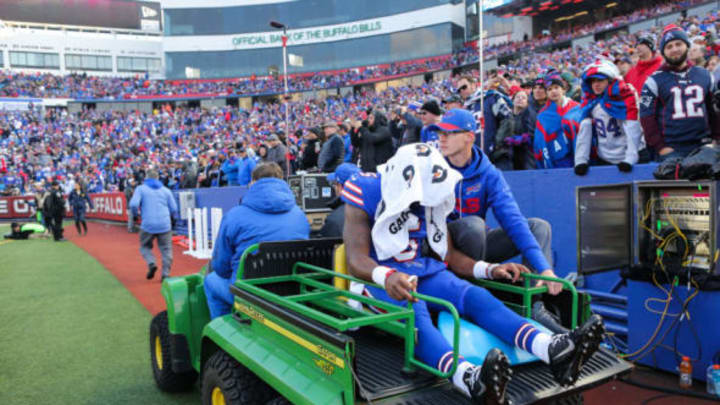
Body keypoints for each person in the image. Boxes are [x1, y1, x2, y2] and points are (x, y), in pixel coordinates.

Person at [342, 144, 604, 403]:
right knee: (415, 311)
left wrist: (489, 269)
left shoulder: (432, 193)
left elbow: (449, 255)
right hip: (376, 278)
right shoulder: (367, 188)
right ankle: (469, 379)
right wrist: (386, 277)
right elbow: (355, 259)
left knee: (474, 295)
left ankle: (552, 349)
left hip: (419, 269)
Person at [429, 108, 561, 294]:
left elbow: (513, 220)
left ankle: (533, 296)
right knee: (474, 225)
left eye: (449, 133)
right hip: (442, 248)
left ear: (469, 137)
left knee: (539, 227)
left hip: (477, 245)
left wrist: (544, 268)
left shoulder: (489, 173)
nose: (441, 138)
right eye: (439, 133)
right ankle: (469, 291)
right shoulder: (432, 167)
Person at [204, 163, 310, 319]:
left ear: (253, 182)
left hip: (249, 295)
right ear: (281, 180)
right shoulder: (299, 215)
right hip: (293, 291)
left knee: (210, 281)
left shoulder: (234, 215)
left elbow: (221, 267)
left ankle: (221, 327)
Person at [641, 25, 720, 161]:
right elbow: (646, 118)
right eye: (669, 46)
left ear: (687, 46)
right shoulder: (653, 81)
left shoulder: (705, 75)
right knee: (681, 183)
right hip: (673, 150)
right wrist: (661, 147)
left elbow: (714, 111)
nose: (675, 49)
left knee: (704, 183)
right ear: (663, 52)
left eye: (678, 44)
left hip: (704, 145)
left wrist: (716, 138)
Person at [574, 59, 646, 175]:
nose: (596, 84)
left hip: (633, 154)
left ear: (610, 80)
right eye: (593, 81)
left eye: (600, 80)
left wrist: (631, 157)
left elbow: (633, 127)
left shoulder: (624, 96)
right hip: (605, 157)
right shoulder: (590, 101)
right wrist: (580, 160)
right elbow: (584, 130)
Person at [129, 168, 178, 281]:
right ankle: (165, 274)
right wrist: (174, 219)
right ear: (158, 178)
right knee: (166, 249)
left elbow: (133, 204)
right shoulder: (166, 190)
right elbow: (174, 208)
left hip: (148, 224)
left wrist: (136, 215)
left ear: (146, 178)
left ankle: (151, 263)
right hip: (165, 224)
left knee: (144, 247)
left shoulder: (141, 189)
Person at [533, 71, 582, 168]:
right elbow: (540, 143)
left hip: (580, 157)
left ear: (564, 90)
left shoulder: (577, 108)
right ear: (546, 93)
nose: (553, 91)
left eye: (556, 88)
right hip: (558, 162)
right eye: (549, 89)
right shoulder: (543, 115)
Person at [316, 163, 360, 238]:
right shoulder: (374, 211)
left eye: (335, 184)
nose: (334, 188)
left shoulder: (334, 220)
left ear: (340, 187)